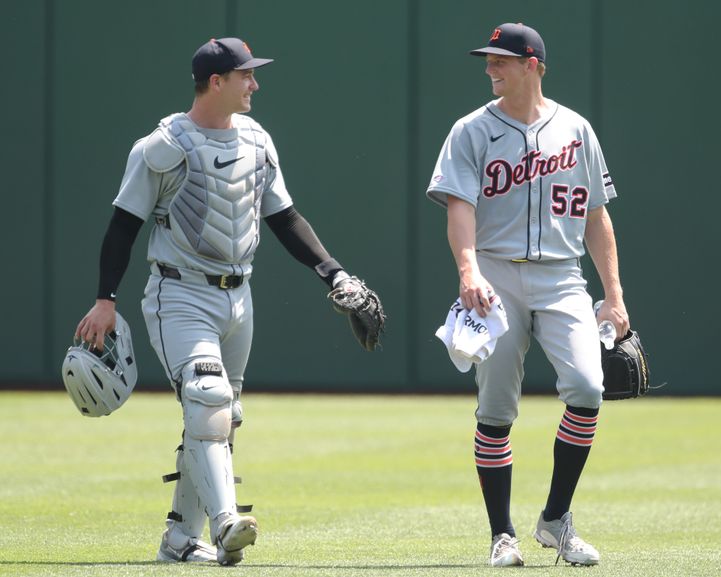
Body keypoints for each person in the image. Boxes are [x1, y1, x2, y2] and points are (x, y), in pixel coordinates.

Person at [73, 37, 372, 566]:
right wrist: (105, 299)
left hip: (240, 297)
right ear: (217, 82)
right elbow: (123, 227)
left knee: (221, 416)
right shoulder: (162, 146)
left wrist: (335, 275)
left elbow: (285, 219)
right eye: (246, 75)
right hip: (179, 292)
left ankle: (180, 539)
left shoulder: (257, 139)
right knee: (208, 400)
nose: (255, 84)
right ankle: (226, 521)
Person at [426, 23, 629, 567]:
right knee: (495, 408)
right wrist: (469, 271)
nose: (491, 68)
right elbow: (459, 207)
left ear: (533, 64)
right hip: (495, 274)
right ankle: (502, 534)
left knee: (588, 387)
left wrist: (614, 295)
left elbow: (595, 215)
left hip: (563, 276)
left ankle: (555, 519)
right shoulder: (470, 130)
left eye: (502, 60)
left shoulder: (576, 129)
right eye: (489, 60)